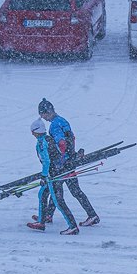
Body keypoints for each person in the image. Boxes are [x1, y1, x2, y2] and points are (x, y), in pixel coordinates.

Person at [37, 98, 100, 228]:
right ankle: (49, 214)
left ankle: (90, 215)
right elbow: (71, 138)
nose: (43, 118)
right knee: (62, 190)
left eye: (42, 114)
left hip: (64, 163)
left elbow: (61, 143)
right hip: (71, 159)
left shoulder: (54, 125)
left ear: (47, 112)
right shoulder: (63, 120)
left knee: (56, 189)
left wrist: (59, 160)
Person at [26, 118, 79, 235]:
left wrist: (44, 176)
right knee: (43, 194)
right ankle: (41, 220)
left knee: (58, 201)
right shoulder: (48, 139)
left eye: (32, 131)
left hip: (53, 175)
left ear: (36, 131)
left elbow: (46, 161)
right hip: (57, 171)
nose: (32, 134)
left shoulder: (42, 142)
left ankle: (73, 226)